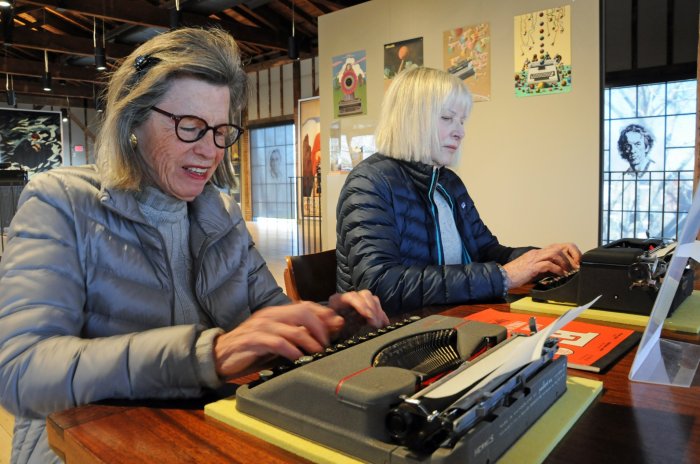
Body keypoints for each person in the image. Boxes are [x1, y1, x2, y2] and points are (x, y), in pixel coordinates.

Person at [0, 27, 387, 464]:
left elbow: (272, 315)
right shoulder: (61, 202)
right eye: (190, 127)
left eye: (221, 131)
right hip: (85, 447)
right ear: (134, 120)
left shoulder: (219, 213)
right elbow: (20, 373)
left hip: (202, 435)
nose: (210, 151)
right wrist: (206, 354)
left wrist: (330, 325)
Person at [336, 67, 581, 315]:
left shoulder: (448, 182)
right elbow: (381, 285)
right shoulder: (369, 183)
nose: (460, 131)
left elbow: (486, 251)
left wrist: (540, 259)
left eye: (462, 121)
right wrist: (503, 276)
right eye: (446, 118)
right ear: (408, 118)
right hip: (394, 332)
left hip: (450, 319)